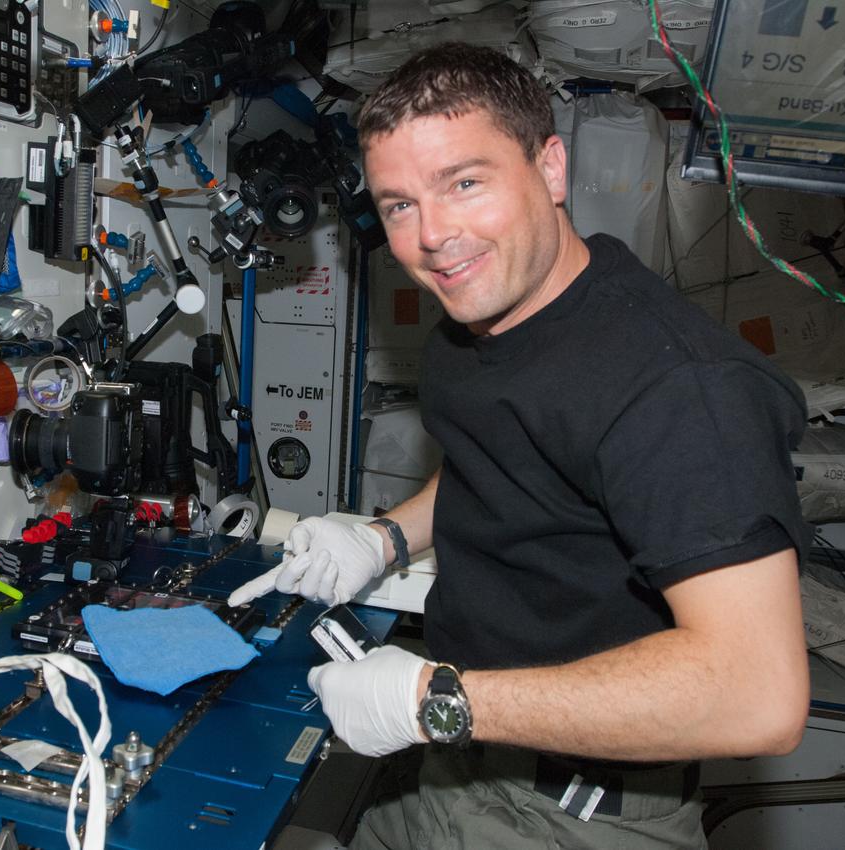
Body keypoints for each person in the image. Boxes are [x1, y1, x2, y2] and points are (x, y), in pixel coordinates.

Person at [227, 42, 813, 849]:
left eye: (465, 183)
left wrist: (434, 701)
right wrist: (384, 537)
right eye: (399, 205)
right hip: (449, 758)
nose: (434, 236)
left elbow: (758, 697)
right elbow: (507, 464)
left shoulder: (678, 390)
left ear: (552, 169)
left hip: (569, 812)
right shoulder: (475, 327)